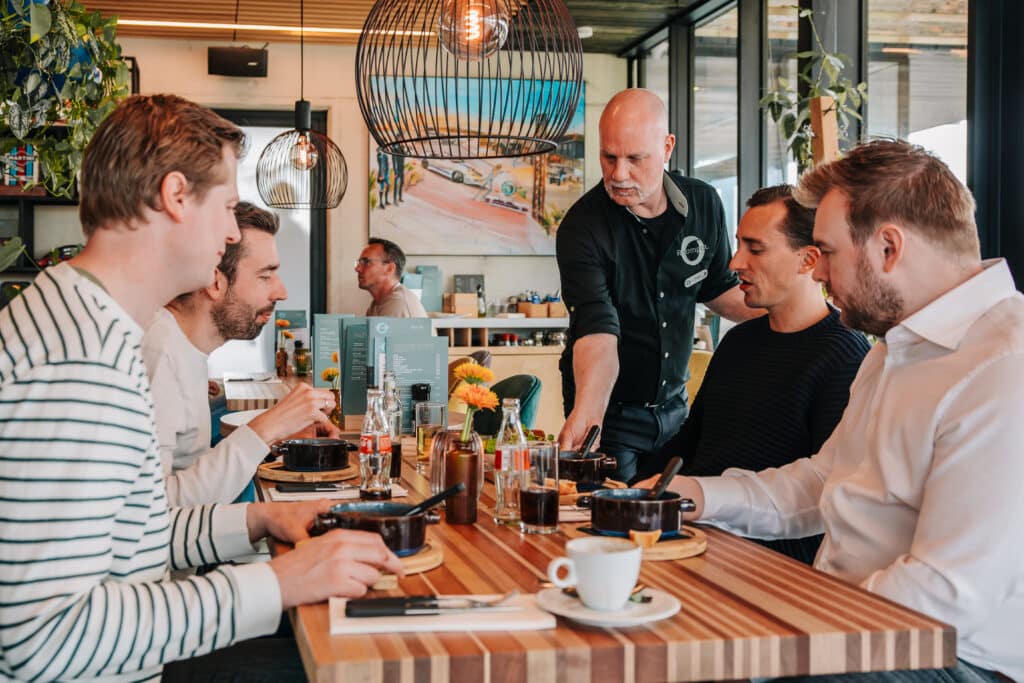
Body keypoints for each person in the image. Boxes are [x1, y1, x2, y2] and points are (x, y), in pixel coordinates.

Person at [0, 94, 403, 682]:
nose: (229, 231)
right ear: (175, 195)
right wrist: (281, 580)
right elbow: (43, 635)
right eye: (228, 206)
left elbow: (137, 532)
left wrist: (260, 524)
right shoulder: (79, 357)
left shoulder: (94, 327)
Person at [647, 139, 1024, 683]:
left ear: (888, 248)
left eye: (828, 252)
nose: (817, 273)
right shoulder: (896, 347)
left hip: (949, 655)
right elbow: (826, 479)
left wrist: (800, 623)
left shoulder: (1000, 366)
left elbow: (946, 593)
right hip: (859, 621)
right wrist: (697, 496)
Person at [651, 185, 870, 564]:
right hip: (692, 539)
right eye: (738, 245)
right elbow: (688, 448)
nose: (735, 262)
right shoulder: (739, 342)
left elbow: (822, 500)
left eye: (755, 248)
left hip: (769, 567)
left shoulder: (844, 356)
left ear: (808, 260)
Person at [556, 88, 760, 483]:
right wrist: (588, 412)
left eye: (635, 159)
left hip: (677, 412)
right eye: (609, 157)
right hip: (612, 418)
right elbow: (598, 329)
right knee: (613, 527)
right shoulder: (583, 228)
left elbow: (721, 290)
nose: (619, 174)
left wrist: (805, 311)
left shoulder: (703, 204)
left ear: (667, 148)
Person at [143, 201, 342, 507]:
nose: (281, 292)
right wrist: (267, 427)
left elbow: (191, 468)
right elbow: (154, 511)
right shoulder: (159, 354)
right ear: (214, 281)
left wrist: (277, 438)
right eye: (266, 276)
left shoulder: (184, 350)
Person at [356, 237, 427, 317]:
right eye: (359, 262)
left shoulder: (398, 303)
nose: (357, 268)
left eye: (366, 262)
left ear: (390, 268)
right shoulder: (376, 304)